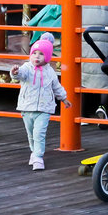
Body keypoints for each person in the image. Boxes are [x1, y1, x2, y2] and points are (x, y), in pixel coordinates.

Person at [12, 36, 67, 171]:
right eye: (34, 53)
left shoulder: (50, 72)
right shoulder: (27, 67)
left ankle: (38, 157)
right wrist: (15, 73)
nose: (37, 56)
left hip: (44, 108)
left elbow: (56, 87)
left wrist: (64, 98)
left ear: (47, 57)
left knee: (39, 134)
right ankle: (34, 152)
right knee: (31, 134)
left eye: (41, 54)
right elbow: (21, 75)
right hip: (27, 107)